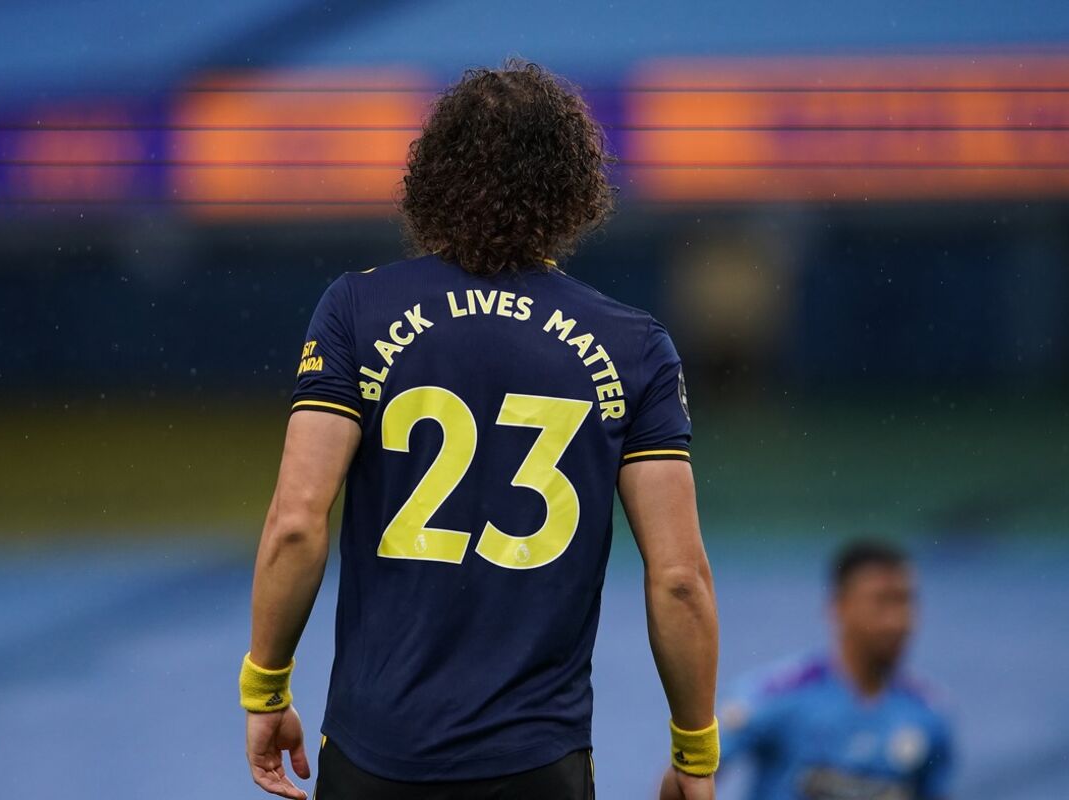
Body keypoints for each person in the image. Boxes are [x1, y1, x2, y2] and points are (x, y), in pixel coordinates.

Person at [238, 60, 720, 800]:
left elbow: (297, 523)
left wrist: (266, 687)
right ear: (571, 188)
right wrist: (694, 750)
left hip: (376, 754)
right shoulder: (634, 345)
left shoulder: (356, 309)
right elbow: (680, 578)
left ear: (433, 175)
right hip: (536, 761)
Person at [718, 540, 954, 800]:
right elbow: (699, 770)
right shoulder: (777, 694)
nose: (896, 621)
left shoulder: (928, 713)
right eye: (881, 601)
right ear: (838, 606)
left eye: (905, 601)